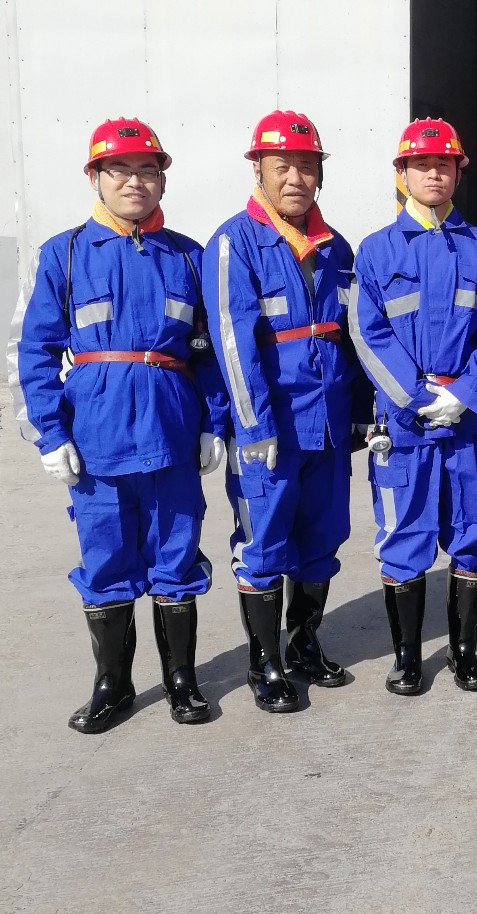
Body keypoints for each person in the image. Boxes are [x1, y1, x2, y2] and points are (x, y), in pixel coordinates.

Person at [9, 118, 227, 732]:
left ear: (163, 180)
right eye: (119, 170)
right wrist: (51, 432)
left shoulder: (188, 257)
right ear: (95, 178)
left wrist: (213, 422)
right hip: (97, 440)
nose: (135, 182)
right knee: (105, 561)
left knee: (176, 557)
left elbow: (209, 351)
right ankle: (114, 684)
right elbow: (35, 352)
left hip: (171, 435)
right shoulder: (65, 254)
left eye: (146, 170)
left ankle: (181, 680)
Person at [349, 118, 477, 693]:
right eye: (421, 164)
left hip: (464, 423)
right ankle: (406, 657)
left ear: (457, 173)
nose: (433, 174)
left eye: (443, 164)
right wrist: (420, 397)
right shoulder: (376, 251)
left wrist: (466, 395)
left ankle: (464, 653)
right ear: (402, 173)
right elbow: (368, 332)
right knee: (404, 536)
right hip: (403, 424)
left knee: (471, 532)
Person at [203, 111, 363, 715]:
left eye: (306, 165)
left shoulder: (336, 247)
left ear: (319, 173)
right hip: (270, 428)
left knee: (323, 537)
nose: (295, 177)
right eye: (282, 166)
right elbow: (232, 343)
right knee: (264, 542)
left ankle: (303, 644)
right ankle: (264, 662)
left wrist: (358, 412)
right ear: (259, 171)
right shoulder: (235, 242)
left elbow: (352, 337)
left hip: (328, 424)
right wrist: (253, 426)